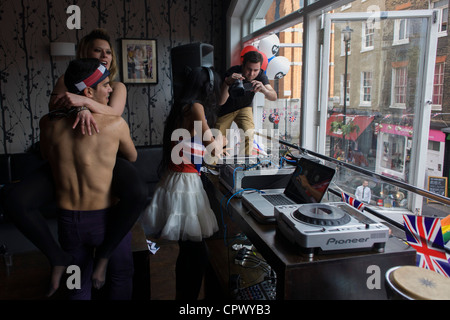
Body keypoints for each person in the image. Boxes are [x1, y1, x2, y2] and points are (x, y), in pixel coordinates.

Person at [0, 29, 147, 297]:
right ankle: (72, 259)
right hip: (93, 193)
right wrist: (79, 106)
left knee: (138, 193)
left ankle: (88, 261)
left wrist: (82, 101)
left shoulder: (114, 89)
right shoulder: (73, 90)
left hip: (84, 198)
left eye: (108, 51)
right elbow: (57, 109)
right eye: (98, 51)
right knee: (17, 199)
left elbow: (109, 112)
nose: (105, 55)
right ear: (84, 55)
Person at [40, 58, 136, 300]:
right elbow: (132, 157)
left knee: (76, 284)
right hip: (107, 217)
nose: (110, 89)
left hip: (70, 220)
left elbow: (45, 155)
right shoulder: (115, 124)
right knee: (120, 277)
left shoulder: (48, 124)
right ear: (88, 91)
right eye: (105, 85)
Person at [141, 66, 223, 300]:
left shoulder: (183, 106)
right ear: (207, 87)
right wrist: (222, 138)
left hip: (175, 179)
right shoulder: (196, 108)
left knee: (189, 251)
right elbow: (212, 149)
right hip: (185, 184)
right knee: (197, 254)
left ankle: (183, 297)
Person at [215, 50, 277, 156]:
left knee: (249, 133)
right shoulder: (233, 72)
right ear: (243, 65)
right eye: (249, 69)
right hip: (226, 109)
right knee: (218, 138)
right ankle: (214, 166)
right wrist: (227, 83)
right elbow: (221, 102)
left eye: (255, 70)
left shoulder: (260, 75)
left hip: (244, 107)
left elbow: (274, 96)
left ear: (260, 68)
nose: (252, 74)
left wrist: (264, 90)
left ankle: (244, 164)